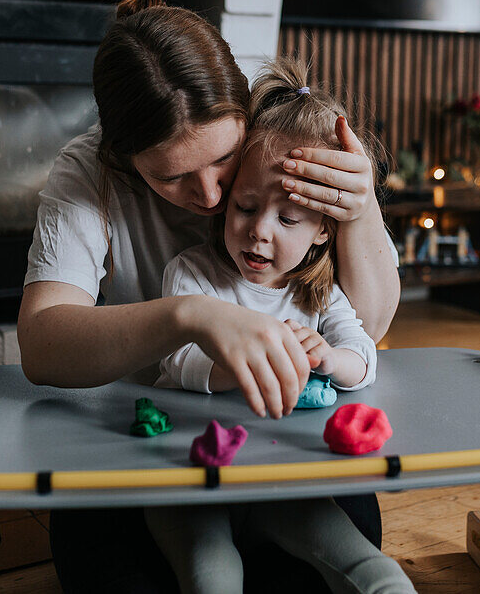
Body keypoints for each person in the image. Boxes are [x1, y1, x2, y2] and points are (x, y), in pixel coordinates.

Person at [17, 0, 400, 592]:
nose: (213, 197)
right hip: (144, 448)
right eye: (172, 175)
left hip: (278, 444)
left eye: (224, 159)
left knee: (332, 559)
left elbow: (367, 329)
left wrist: (360, 206)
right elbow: (41, 347)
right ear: (123, 158)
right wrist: (190, 317)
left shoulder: (279, 147)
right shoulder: (88, 172)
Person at [145, 59, 414, 594]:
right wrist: (242, 360)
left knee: (373, 572)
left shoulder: (316, 293)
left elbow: (362, 353)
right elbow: (176, 362)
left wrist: (328, 358)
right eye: (244, 207)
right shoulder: (194, 275)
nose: (259, 233)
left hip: (283, 478)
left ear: (321, 232)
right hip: (187, 478)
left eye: (288, 220)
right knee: (213, 573)